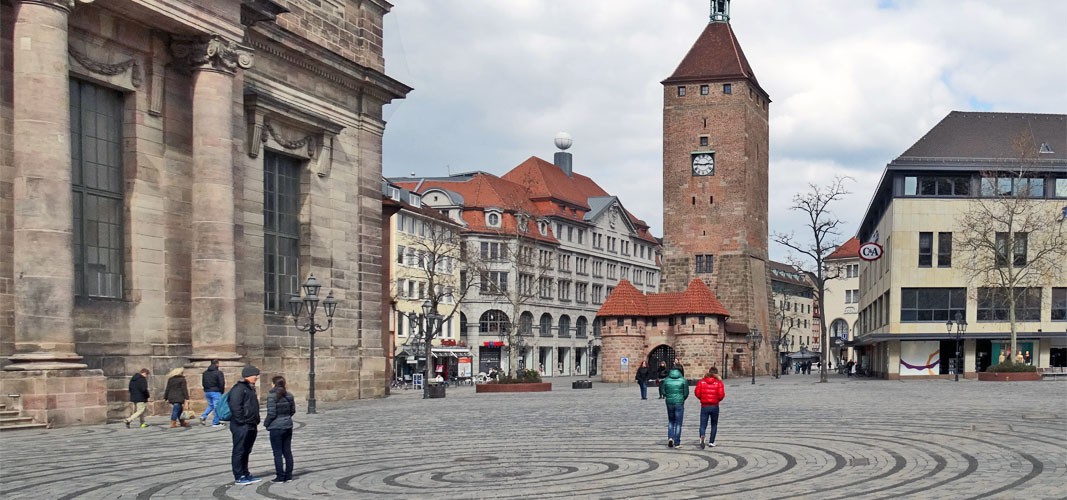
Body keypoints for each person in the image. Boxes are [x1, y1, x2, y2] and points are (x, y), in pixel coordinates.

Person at [230, 365, 262, 485]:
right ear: (250, 375)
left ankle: (245, 472)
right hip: (241, 425)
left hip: (251, 424)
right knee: (239, 450)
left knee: (246, 450)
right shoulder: (238, 389)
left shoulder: (250, 388)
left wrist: (256, 419)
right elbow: (235, 406)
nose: (257, 378)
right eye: (256, 375)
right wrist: (241, 420)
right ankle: (239, 475)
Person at [265, 375, 296, 483]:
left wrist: (266, 423)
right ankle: (289, 476)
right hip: (287, 425)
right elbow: (293, 410)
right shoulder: (289, 395)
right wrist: (286, 418)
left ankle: (280, 476)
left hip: (276, 427)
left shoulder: (272, 396)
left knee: (277, 453)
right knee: (287, 451)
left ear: (274, 384)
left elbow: (271, 413)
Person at [695, 366, 725, 449]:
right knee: (714, 424)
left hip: (704, 406)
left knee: (703, 424)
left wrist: (702, 398)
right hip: (714, 406)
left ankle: (702, 436)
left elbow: (697, 393)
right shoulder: (718, 383)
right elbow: (721, 395)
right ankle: (711, 442)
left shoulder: (701, 382)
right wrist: (716, 400)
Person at [659, 365, 688, 448]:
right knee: (678, 423)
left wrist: (667, 396)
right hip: (679, 402)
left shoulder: (666, 380)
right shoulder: (683, 380)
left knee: (671, 421)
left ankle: (670, 438)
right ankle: (677, 442)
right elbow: (686, 393)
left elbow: (663, 391)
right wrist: (682, 399)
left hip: (669, 403)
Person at [200, 359, 225, 427]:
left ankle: (203, 416)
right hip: (216, 391)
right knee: (217, 407)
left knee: (211, 405)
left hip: (207, 391)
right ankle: (215, 422)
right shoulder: (218, 373)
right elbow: (221, 383)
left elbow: (203, 382)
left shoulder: (205, 373)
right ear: (217, 364)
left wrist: (206, 389)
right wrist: (221, 391)